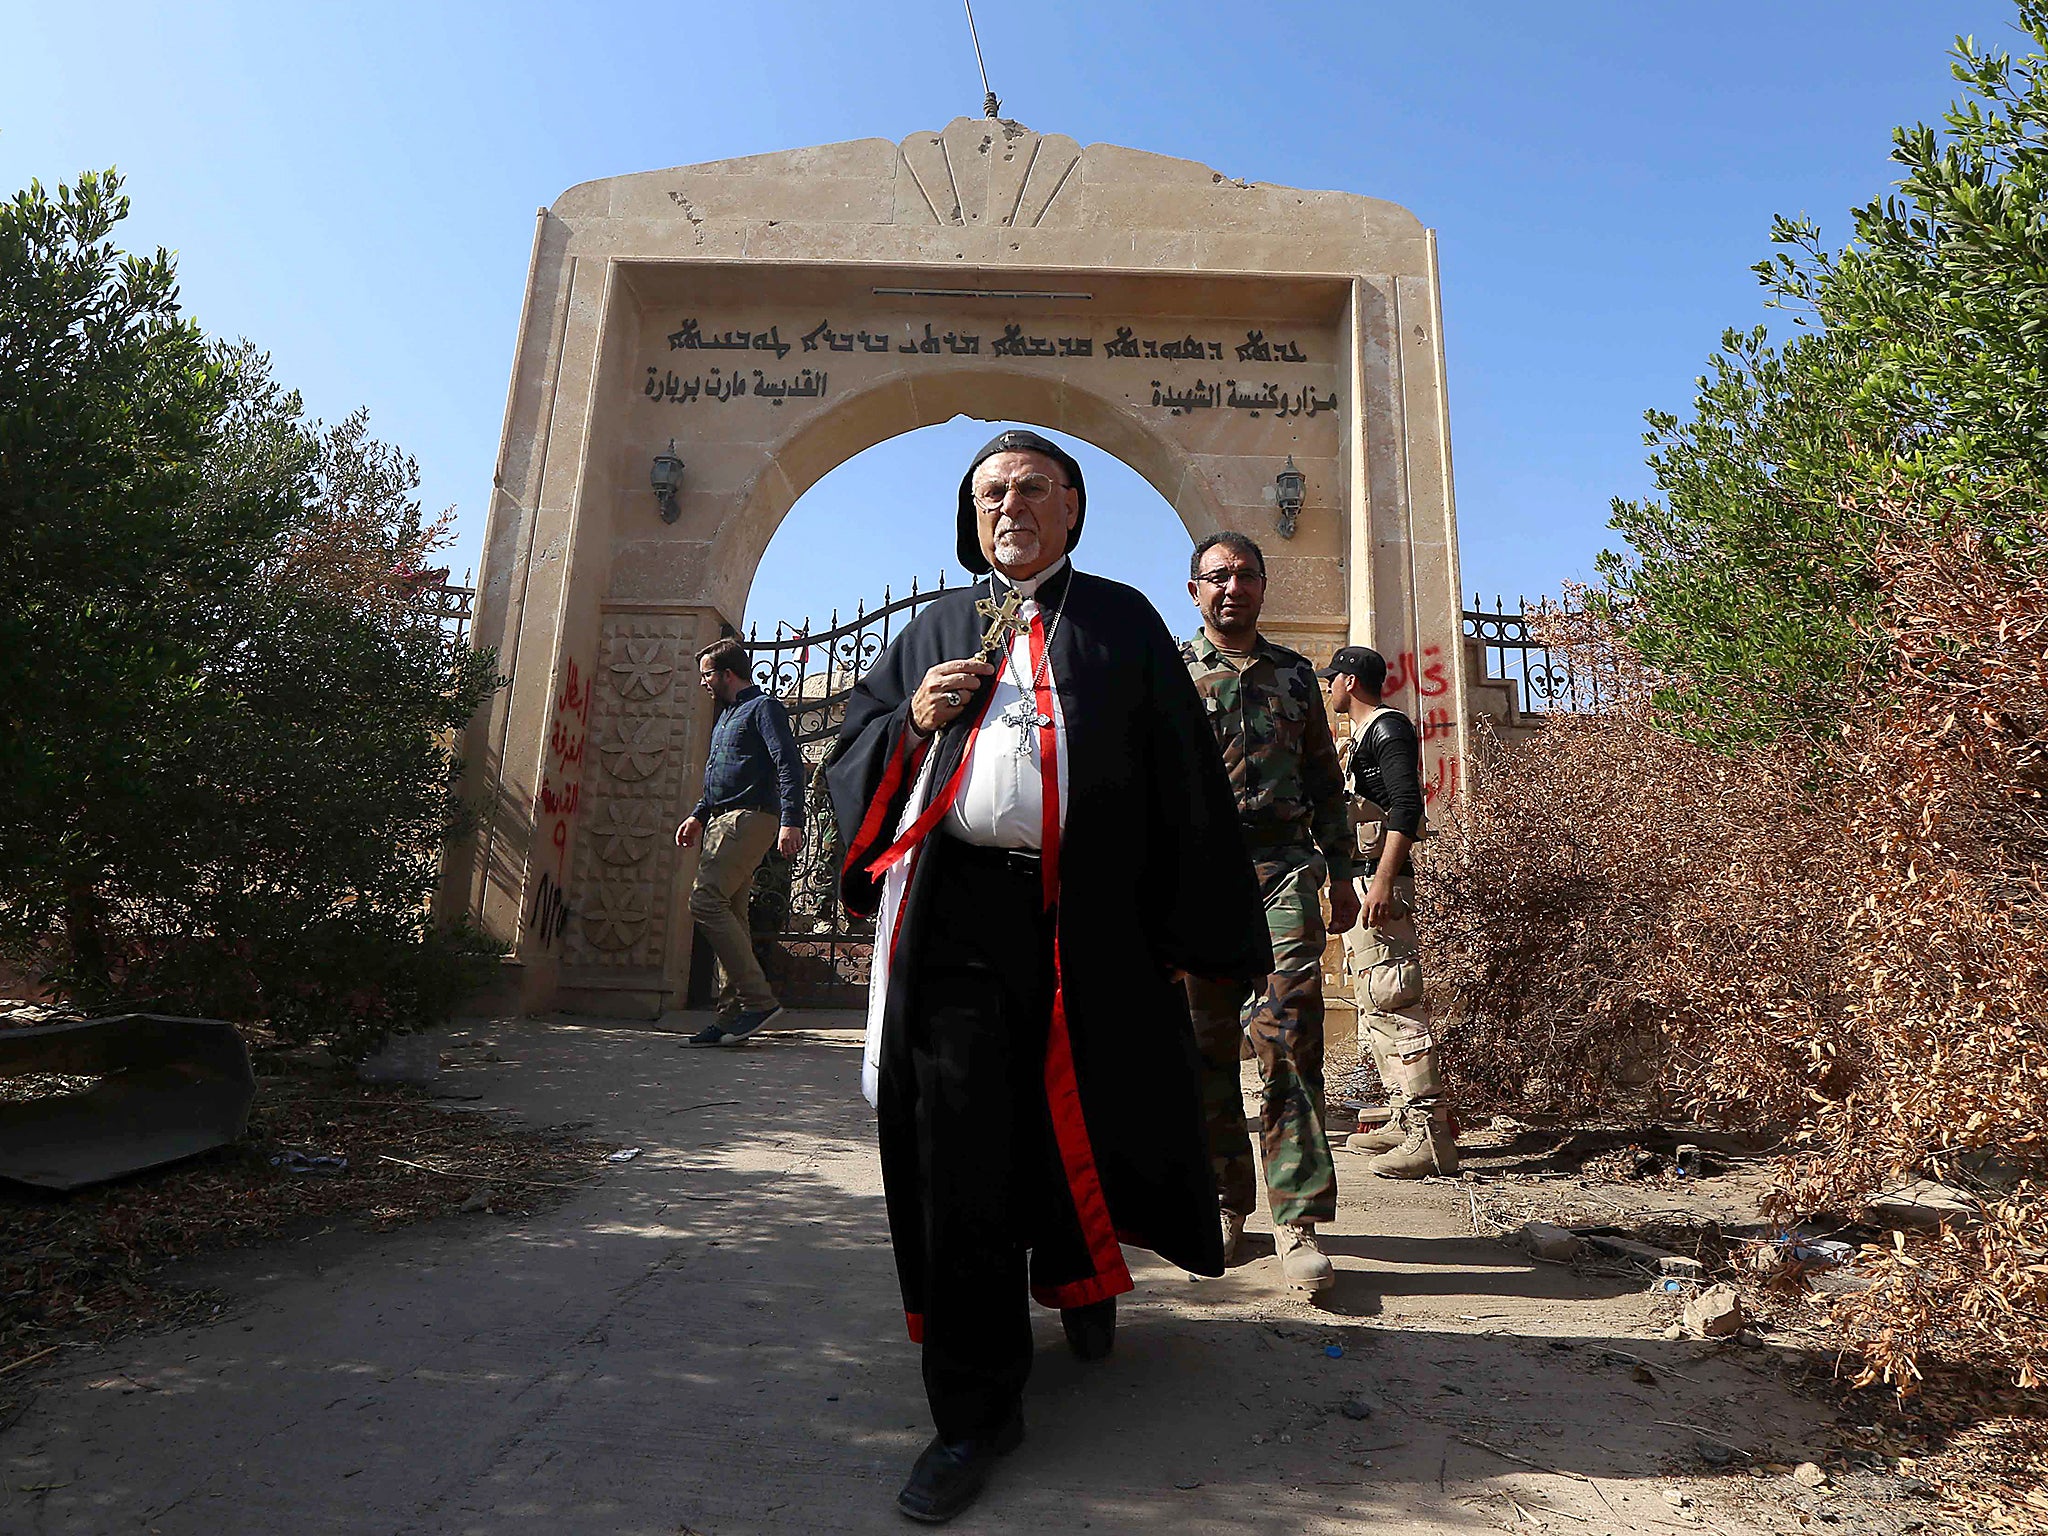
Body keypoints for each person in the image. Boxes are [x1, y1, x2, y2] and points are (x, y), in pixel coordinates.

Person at [826, 430, 1269, 1525]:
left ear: (1071, 507)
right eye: (989, 492)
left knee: (1082, 1117)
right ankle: (974, 1413)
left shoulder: (1120, 622)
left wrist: (1207, 937)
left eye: (1030, 487)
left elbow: (1180, 777)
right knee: (961, 1148)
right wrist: (910, 723)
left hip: (1093, 924)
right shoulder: (927, 627)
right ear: (968, 514)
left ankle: (1079, 1281)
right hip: (960, 923)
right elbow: (851, 748)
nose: (1008, 505)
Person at [1180, 532, 1359, 1295]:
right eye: (1218, 576)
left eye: (1246, 575)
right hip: (1195, 878)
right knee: (1204, 1045)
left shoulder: (1293, 675)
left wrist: (1344, 873)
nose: (1233, 587)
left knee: (1288, 1032)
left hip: (1283, 871)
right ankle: (1224, 1205)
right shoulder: (1171, 673)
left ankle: (1298, 1221)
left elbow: (1323, 777)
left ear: (1264, 586)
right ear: (1195, 591)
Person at [1319, 644, 1457, 1177]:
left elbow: (1407, 806)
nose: (1329, 687)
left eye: (1333, 679)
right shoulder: (1360, 737)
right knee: (1375, 1004)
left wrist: (1380, 882)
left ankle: (1429, 1138)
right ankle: (1404, 1119)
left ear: (1350, 682)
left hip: (1383, 886)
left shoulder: (1387, 728)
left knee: (1395, 1001)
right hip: (1362, 881)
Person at [674, 639, 804, 1046]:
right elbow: (721, 774)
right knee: (732, 912)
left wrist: (791, 821)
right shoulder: (727, 716)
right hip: (721, 820)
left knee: (705, 901)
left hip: (749, 819)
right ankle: (732, 1017)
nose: (703, 684)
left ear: (728, 674)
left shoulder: (763, 708)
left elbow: (788, 762)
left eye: (707, 675)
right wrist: (698, 814)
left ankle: (759, 1001)